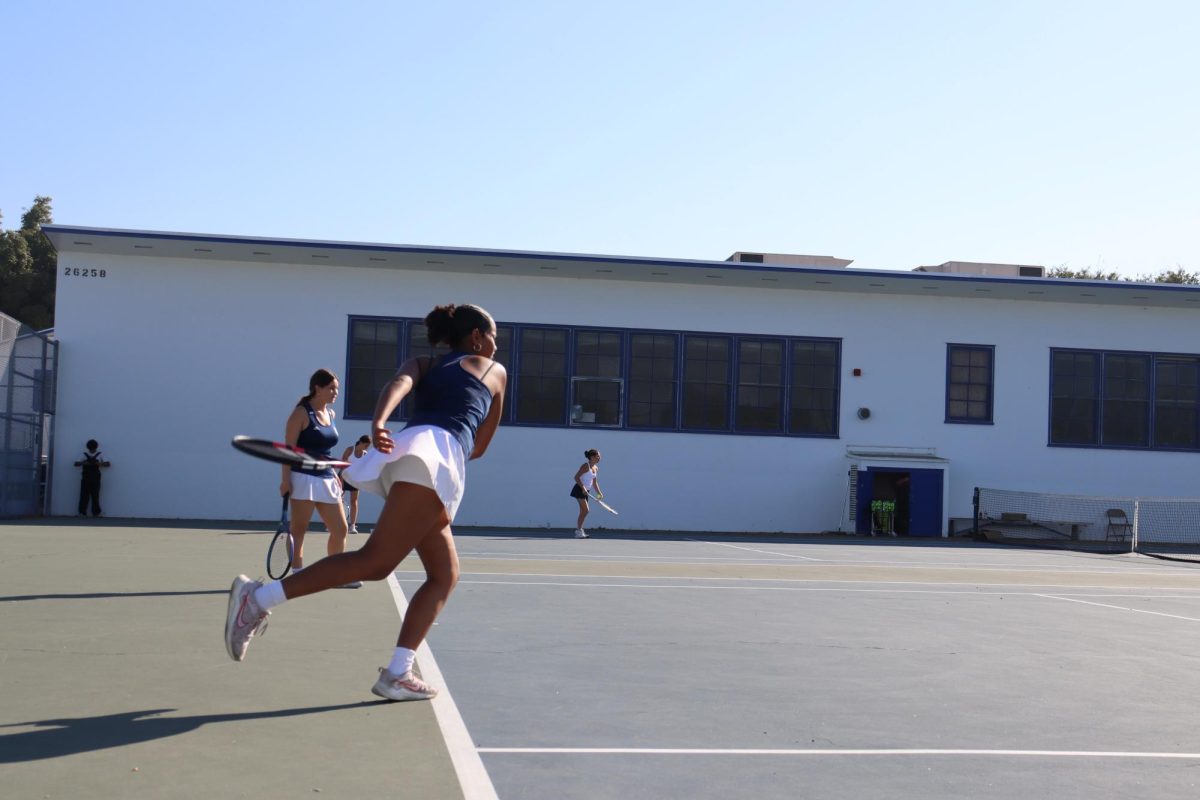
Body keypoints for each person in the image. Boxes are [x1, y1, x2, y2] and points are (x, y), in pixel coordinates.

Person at [224, 303, 506, 702]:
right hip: (437, 460)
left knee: (444, 575)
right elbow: (479, 446)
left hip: (417, 454)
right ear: (477, 337)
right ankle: (258, 599)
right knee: (376, 562)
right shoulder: (494, 370)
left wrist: (379, 423)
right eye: (494, 336)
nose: (497, 345)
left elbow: (397, 385)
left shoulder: (422, 363)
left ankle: (398, 673)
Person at [280, 368, 357, 586]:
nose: (335, 393)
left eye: (337, 389)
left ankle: (335, 575)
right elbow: (288, 450)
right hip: (302, 477)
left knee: (340, 529)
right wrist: (285, 480)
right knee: (299, 529)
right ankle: (297, 573)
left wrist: (334, 473)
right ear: (318, 388)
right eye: (331, 388)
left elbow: (326, 450)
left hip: (326, 478)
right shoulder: (300, 414)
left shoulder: (330, 414)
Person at [340, 435, 371, 533]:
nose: (366, 448)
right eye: (366, 445)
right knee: (338, 500)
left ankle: (352, 526)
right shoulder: (350, 450)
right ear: (360, 443)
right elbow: (342, 465)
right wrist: (341, 480)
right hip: (344, 477)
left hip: (355, 479)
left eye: (368, 446)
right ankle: (337, 524)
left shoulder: (365, 454)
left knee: (354, 501)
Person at [570, 449, 603, 538]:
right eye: (598, 456)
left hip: (586, 491)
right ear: (592, 457)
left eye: (599, 456)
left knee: (583, 511)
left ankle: (579, 531)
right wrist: (583, 487)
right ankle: (579, 531)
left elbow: (595, 483)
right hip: (579, 489)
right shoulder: (585, 466)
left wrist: (599, 493)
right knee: (586, 510)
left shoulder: (596, 468)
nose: (599, 458)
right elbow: (576, 477)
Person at [74, 439, 110, 517]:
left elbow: (108, 464)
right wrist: (84, 463)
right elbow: (76, 464)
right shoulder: (84, 455)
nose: (92, 450)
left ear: (96, 448)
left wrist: (99, 463)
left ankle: (96, 512)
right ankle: (82, 512)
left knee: (95, 495)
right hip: (86, 477)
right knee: (84, 495)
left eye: (93, 448)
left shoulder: (100, 455)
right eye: (91, 448)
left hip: (95, 477)